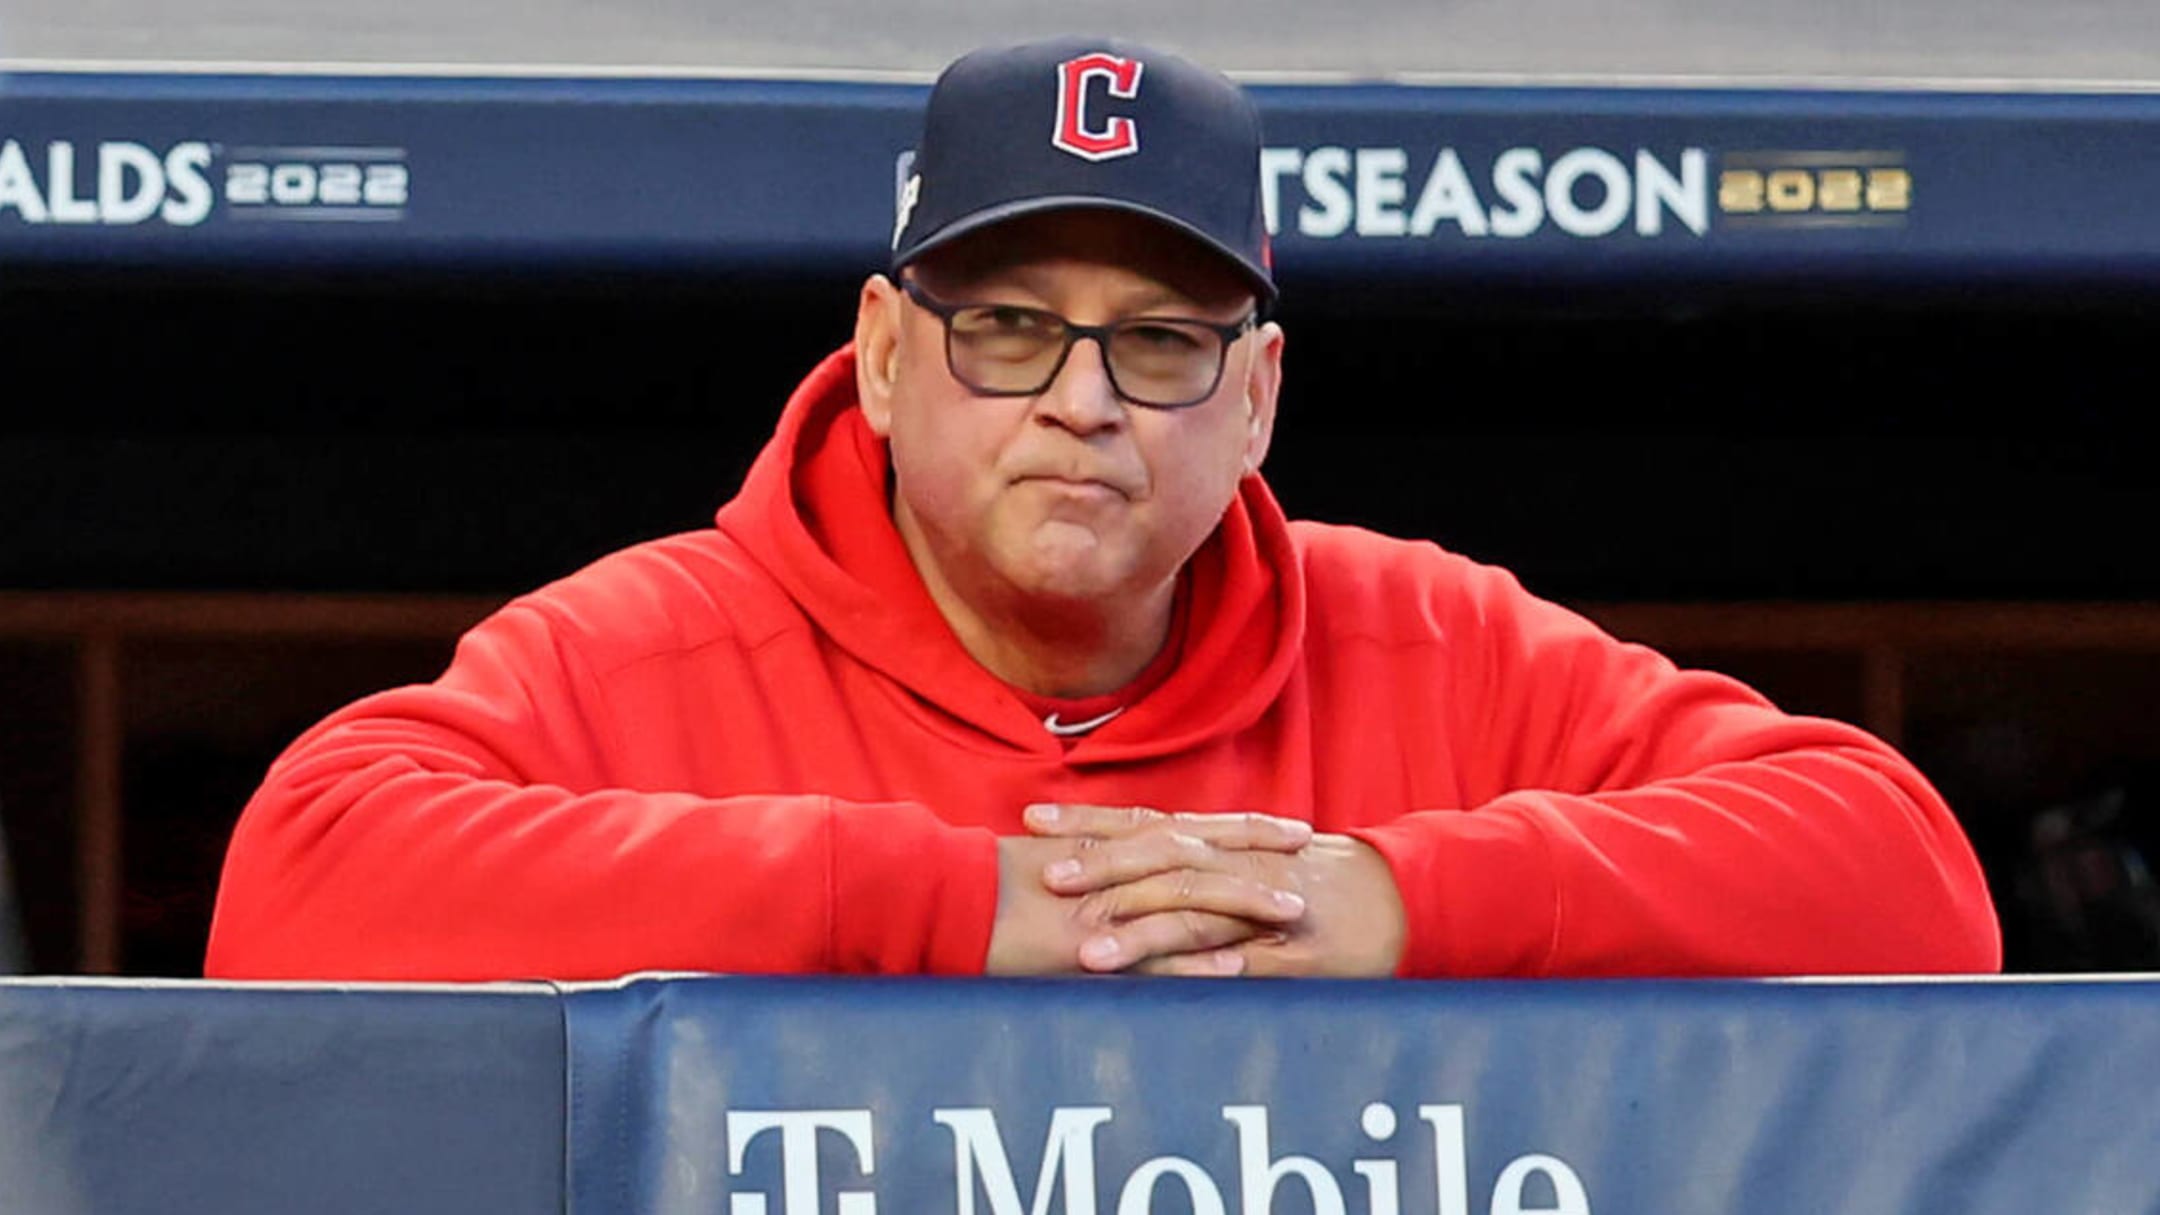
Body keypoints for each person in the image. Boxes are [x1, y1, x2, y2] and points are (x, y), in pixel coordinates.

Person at [204, 37, 2000, 982]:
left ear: (1259, 399)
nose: (1080, 397)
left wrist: (1383, 898)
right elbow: (296, 887)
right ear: (887, 356)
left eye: (1158, 341)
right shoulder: (656, 643)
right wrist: (939, 904)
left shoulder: (1427, 639)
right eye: (1008, 328)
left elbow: (1910, 881)